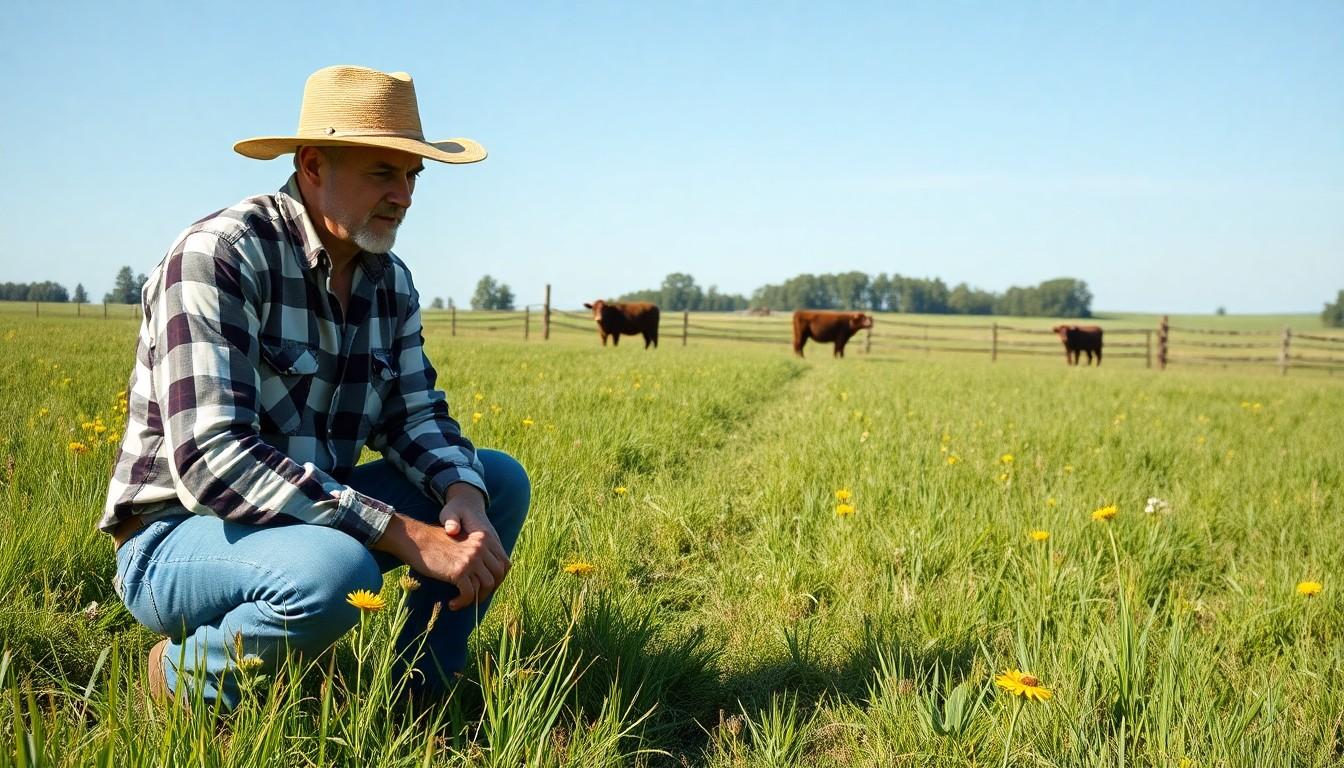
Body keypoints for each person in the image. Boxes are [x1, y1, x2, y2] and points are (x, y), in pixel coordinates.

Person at [99, 65, 529, 709]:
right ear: (312, 165)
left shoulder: (390, 280)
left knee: (496, 481)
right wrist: (409, 536)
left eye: (413, 175)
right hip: (179, 534)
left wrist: (461, 494)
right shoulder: (219, 255)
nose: (405, 195)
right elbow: (214, 461)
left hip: (310, 517)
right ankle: (185, 678)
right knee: (335, 573)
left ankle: (421, 699)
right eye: (383, 172)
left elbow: (414, 415)